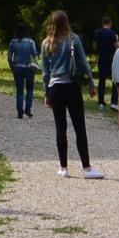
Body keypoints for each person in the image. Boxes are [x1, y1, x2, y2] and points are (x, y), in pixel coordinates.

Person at [40, 10, 102, 179]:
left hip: (55, 88)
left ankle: (64, 168)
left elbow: (45, 72)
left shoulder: (46, 43)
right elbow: (83, 63)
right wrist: (90, 83)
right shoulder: (73, 39)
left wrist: (46, 92)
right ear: (66, 23)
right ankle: (87, 168)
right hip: (72, 86)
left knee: (60, 128)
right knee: (79, 128)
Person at [6, 22, 39, 119]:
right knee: (30, 89)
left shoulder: (12, 42)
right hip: (29, 68)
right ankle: (28, 109)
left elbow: (9, 58)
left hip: (17, 68)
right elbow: (34, 55)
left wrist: (12, 66)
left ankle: (20, 111)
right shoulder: (31, 42)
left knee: (19, 91)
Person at [92, 17, 118, 110]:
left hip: (101, 58)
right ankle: (114, 102)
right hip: (111, 59)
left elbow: (94, 46)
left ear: (103, 23)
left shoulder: (97, 32)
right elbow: (116, 46)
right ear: (110, 23)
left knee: (101, 80)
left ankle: (101, 103)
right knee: (114, 80)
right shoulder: (112, 33)